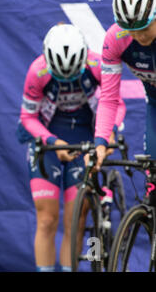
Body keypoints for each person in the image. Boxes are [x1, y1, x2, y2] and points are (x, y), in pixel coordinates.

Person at [16, 24, 126, 272]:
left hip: (84, 141)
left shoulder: (97, 64)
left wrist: (108, 135)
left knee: (75, 220)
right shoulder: (38, 69)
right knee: (46, 220)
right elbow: (28, 117)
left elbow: (117, 104)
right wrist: (52, 143)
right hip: (49, 143)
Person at [93, 0, 156, 183]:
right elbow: (109, 98)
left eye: (145, 28)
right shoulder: (115, 38)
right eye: (131, 30)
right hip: (154, 102)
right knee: (153, 177)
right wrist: (100, 142)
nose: (138, 37)